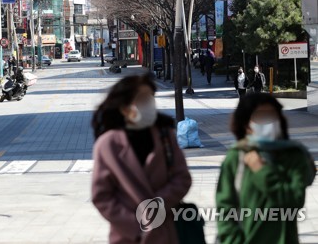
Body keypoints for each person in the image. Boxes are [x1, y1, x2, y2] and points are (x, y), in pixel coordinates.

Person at [91, 74, 192, 243]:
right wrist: (135, 225)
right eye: (142, 100)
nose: (149, 105)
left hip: (164, 233)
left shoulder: (165, 136)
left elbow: (182, 178)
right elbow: (102, 196)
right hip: (127, 236)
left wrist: (156, 207)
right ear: (124, 108)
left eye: (151, 99)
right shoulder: (108, 144)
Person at [216, 93, 315, 244]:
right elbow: (225, 210)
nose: (268, 122)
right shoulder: (236, 158)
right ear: (246, 125)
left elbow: (294, 200)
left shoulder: (294, 156)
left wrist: (262, 170)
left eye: (272, 116)